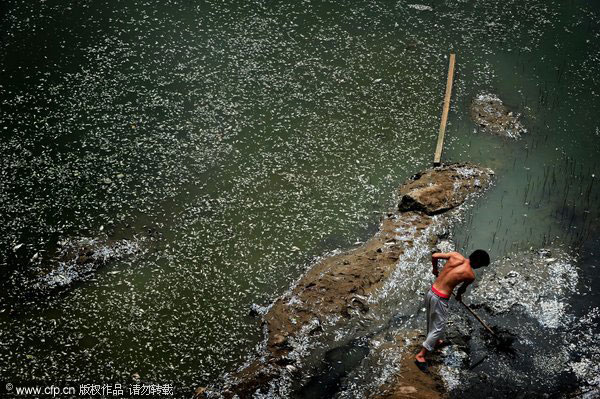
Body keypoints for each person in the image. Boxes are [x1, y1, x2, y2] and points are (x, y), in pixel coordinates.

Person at [414, 249, 490, 372]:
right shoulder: (470, 275)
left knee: (431, 319)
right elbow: (461, 290)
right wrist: (459, 296)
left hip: (431, 292)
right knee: (439, 326)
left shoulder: (455, 255)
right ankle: (421, 355)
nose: (478, 267)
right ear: (478, 263)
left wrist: (435, 269)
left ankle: (435, 341)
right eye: (480, 265)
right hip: (440, 298)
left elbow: (434, 255)